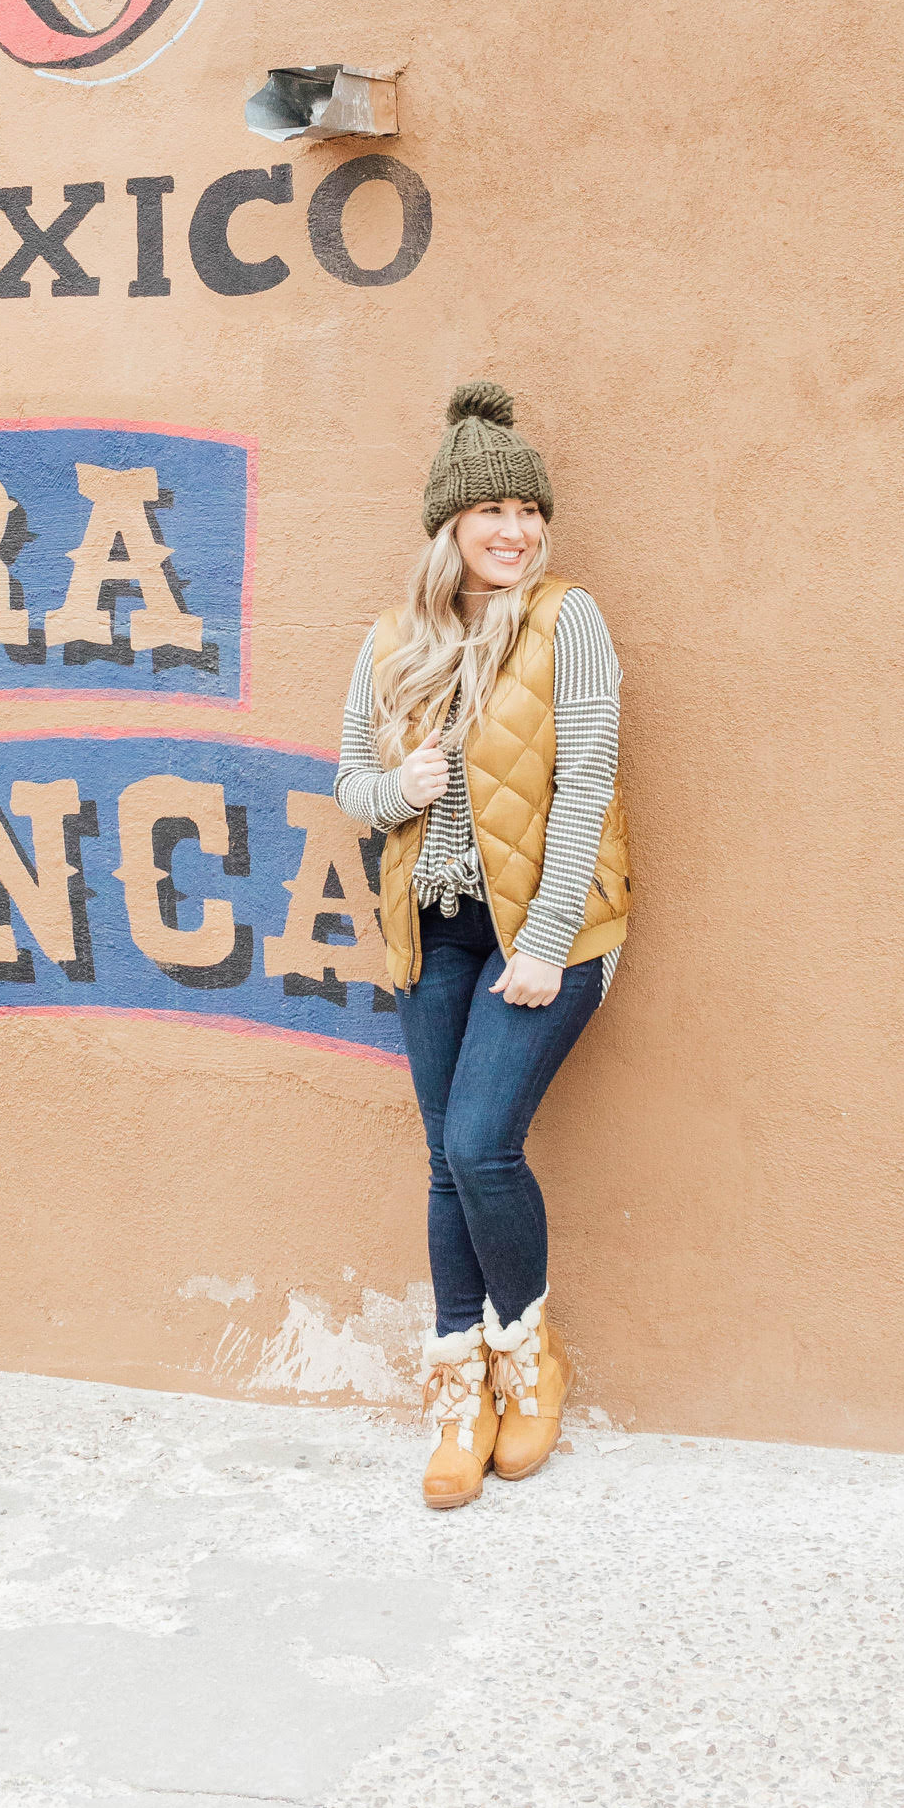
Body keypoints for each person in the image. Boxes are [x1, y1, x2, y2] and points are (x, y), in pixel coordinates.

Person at [334, 382, 630, 1508]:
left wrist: (549, 942)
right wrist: (396, 788)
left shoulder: (571, 621)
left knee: (480, 1149)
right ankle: (461, 1393)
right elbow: (350, 787)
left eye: (527, 510)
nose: (514, 529)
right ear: (447, 529)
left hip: (546, 931)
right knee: (442, 1161)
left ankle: (526, 1355)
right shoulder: (392, 642)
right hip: (433, 929)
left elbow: (589, 786)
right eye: (489, 512)